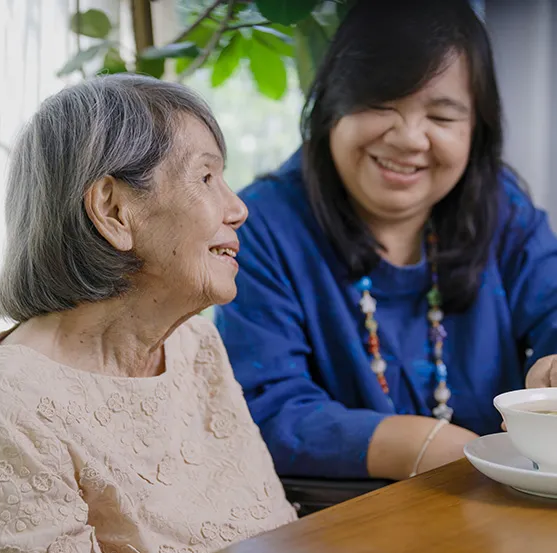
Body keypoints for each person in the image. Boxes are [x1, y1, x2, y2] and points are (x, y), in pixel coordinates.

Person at [215, 0, 557, 484]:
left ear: (475, 130)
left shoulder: (502, 206)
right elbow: (267, 408)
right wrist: (428, 446)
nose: (410, 138)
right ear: (334, 102)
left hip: (499, 502)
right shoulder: (259, 225)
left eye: (441, 117)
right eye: (381, 104)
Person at [0, 74, 296, 553]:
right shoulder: (9, 404)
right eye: (205, 177)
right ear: (114, 211)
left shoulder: (195, 344)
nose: (238, 208)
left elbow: (276, 529)